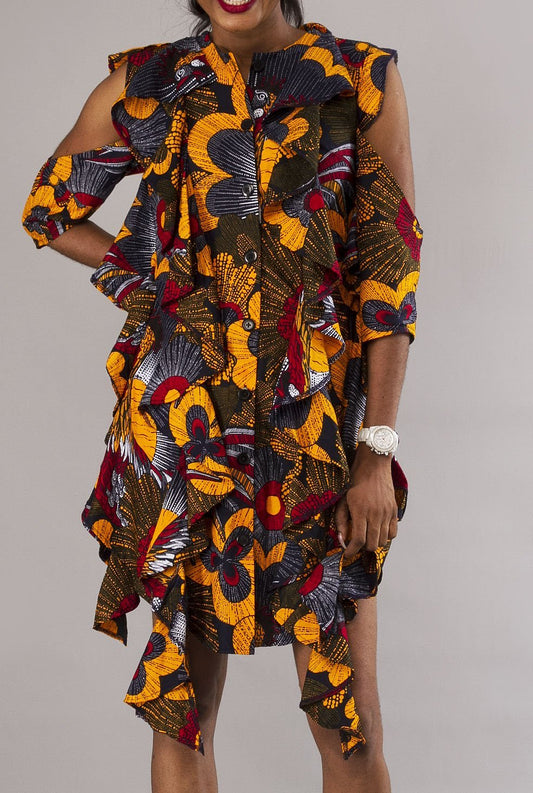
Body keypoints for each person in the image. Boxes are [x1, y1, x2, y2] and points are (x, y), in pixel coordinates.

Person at [21, 1, 423, 791]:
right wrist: (159, 282)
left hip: (315, 436)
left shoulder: (359, 78)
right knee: (184, 710)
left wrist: (375, 450)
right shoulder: (149, 81)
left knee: (349, 722)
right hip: (185, 430)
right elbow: (49, 211)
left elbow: (389, 275)